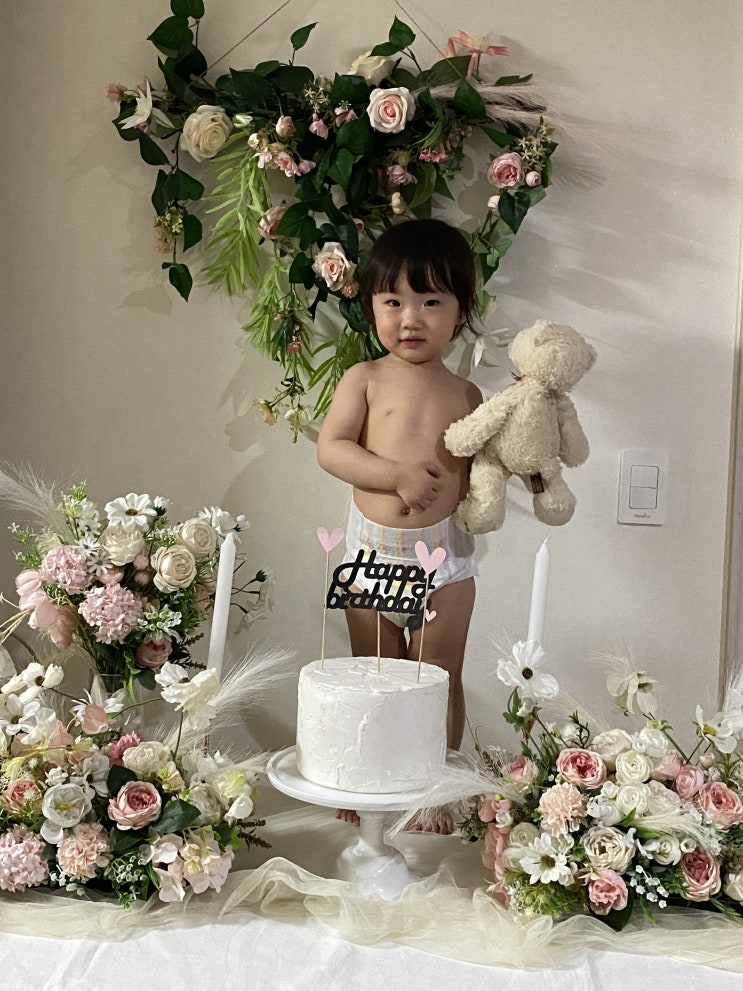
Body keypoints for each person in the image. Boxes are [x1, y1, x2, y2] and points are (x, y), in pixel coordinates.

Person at [317, 219, 482, 833]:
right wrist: (396, 475)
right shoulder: (364, 378)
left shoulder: (467, 394)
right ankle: (366, 778)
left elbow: (487, 468)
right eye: (393, 301)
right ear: (371, 307)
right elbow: (332, 449)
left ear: (461, 312)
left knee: (438, 678)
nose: (410, 318)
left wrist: (530, 458)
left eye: (431, 302)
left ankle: (434, 788)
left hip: (445, 561)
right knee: (375, 674)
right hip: (373, 556)